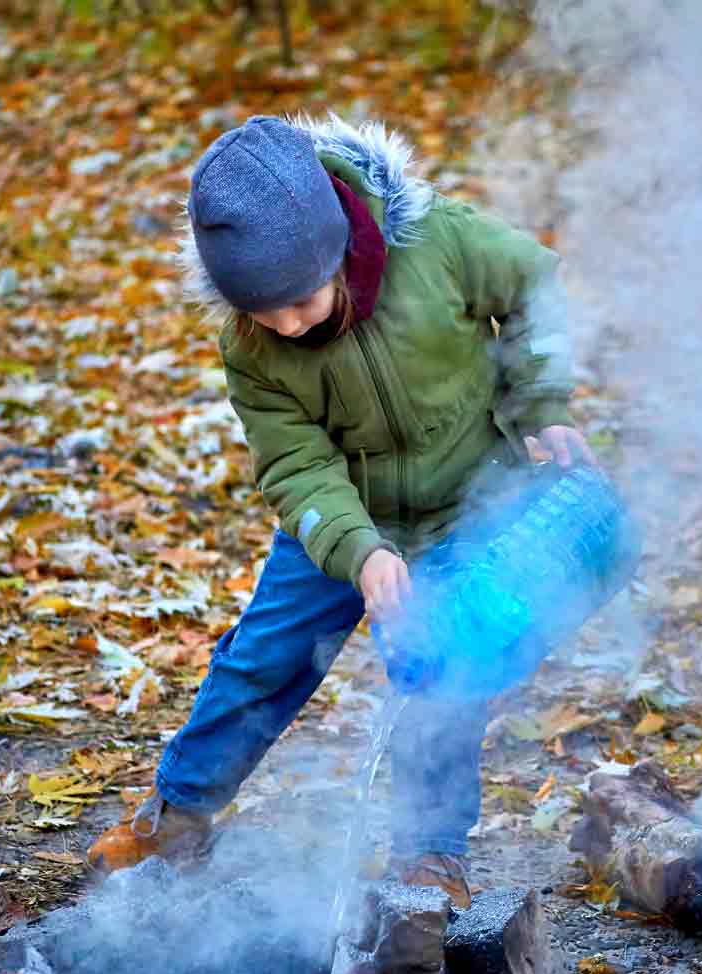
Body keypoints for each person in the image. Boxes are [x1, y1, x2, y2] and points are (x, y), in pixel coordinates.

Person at [86, 114, 593, 908]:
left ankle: (431, 854)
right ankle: (178, 813)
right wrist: (359, 550)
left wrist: (544, 401)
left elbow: (532, 283)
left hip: (465, 505)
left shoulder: (443, 246)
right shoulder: (252, 346)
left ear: (335, 249)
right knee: (262, 658)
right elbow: (296, 462)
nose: (287, 325)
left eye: (298, 301)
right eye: (263, 312)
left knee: (442, 676)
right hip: (342, 517)